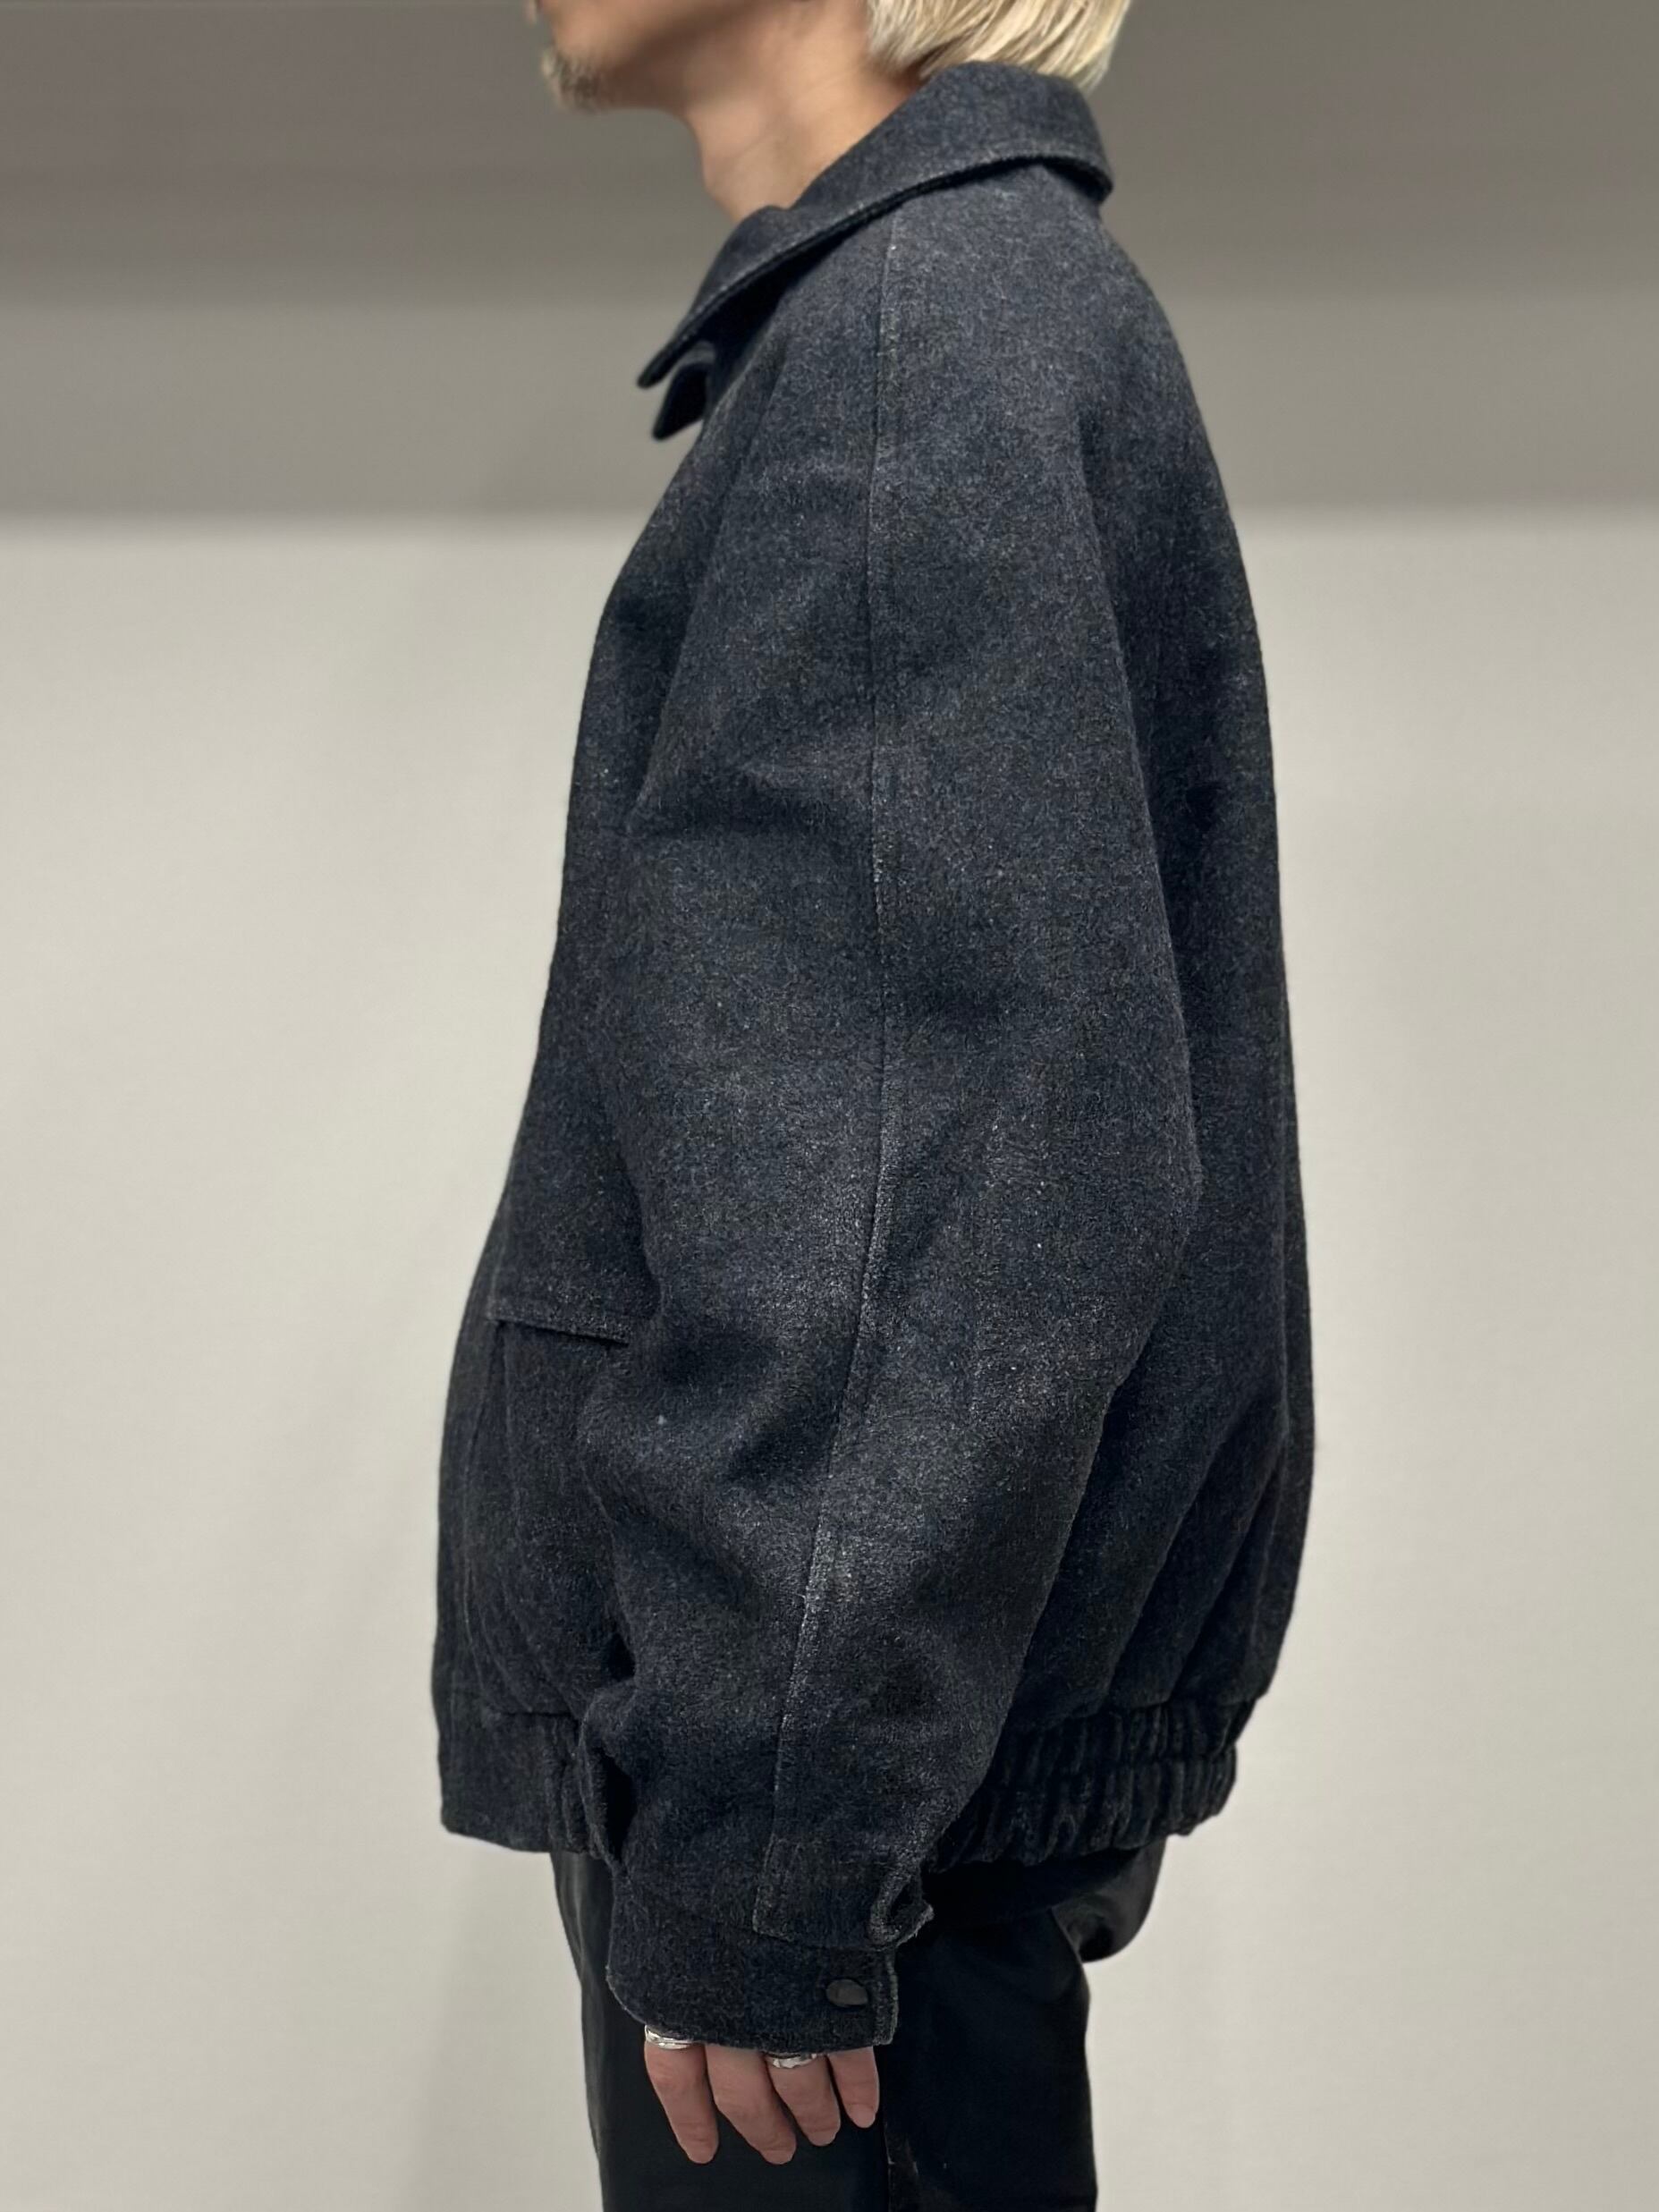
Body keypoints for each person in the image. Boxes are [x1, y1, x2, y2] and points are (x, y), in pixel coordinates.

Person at [432, 2, 1315, 2203]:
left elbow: (906, 1194)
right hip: (867, 1801)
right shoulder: (943, 315)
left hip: (836, 1849)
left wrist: (769, 1848)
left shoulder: (918, 345)